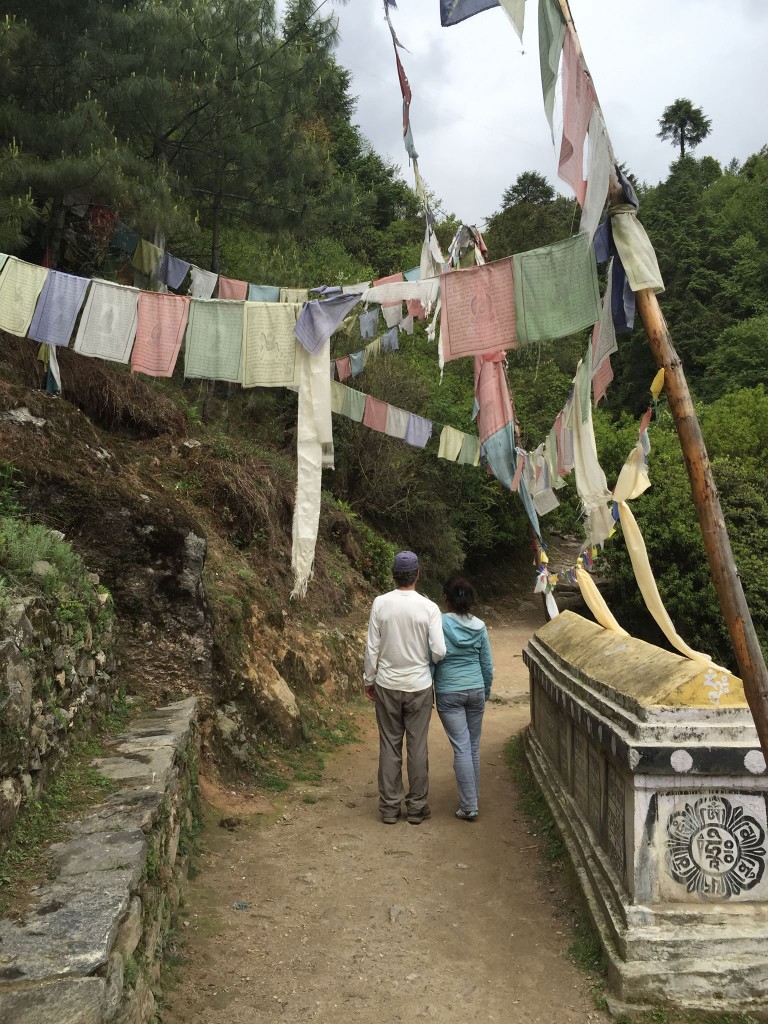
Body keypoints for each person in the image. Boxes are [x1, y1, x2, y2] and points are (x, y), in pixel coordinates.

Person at [364, 550, 446, 825]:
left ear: (393, 574)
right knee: (417, 745)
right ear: (417, 574)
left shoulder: (380, 604)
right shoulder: (429, 608)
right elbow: (440, 650)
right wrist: (426, 662)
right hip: (419, 685)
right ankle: (416, 807)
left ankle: (389, 808)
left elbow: (372, 647)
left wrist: (369, 679)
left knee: (389, 744)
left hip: (387, 684)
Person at [433, 576, 493, 821]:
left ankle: (469, 806)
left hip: (449, 691)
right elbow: (487, 665)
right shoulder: (480, 626)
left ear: (446, 599)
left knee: (461, 747)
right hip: (476, 689)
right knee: (473, 746)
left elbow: (433, 656)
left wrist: (430, 687)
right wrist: (485, 691)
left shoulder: (439, 623)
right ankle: (472, 798)